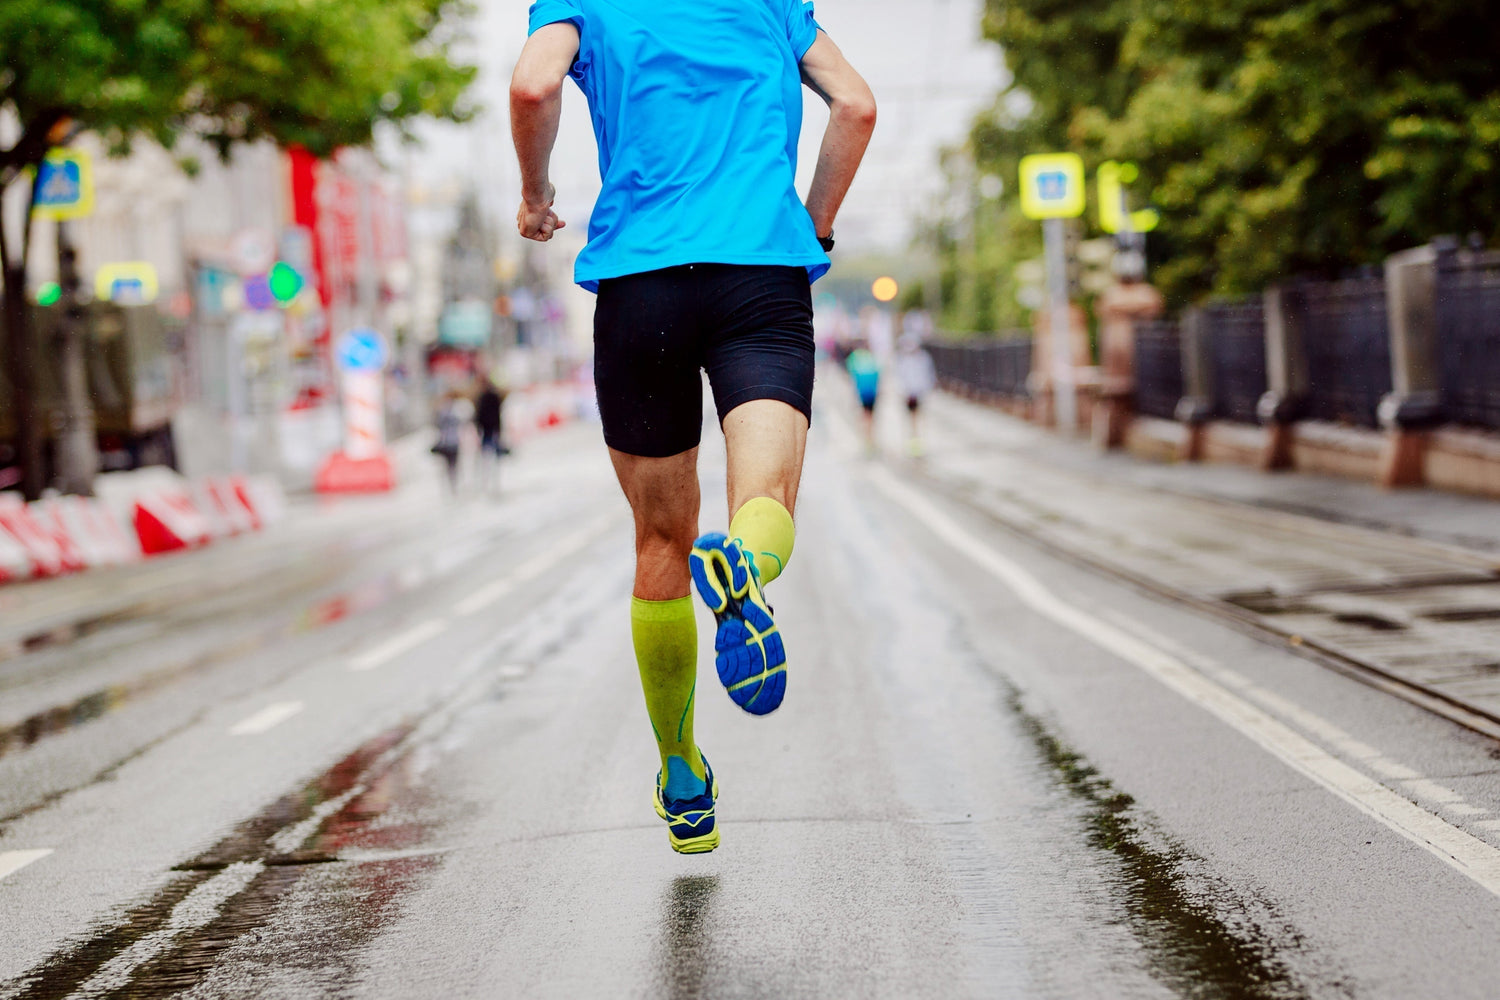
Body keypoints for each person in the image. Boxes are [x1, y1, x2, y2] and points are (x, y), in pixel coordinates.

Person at [511, 0, 875, 853]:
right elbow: (855, 105)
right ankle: (745, 566)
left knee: (660, 544)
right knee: (767, 494)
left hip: (642, 287)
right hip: (760, 276)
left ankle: (682, 775)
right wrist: (813, 224)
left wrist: (535, 196)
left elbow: (533, 86)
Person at [894, 332, 936, 455]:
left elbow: (928, 375)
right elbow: (900, 377)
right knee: (912, 418)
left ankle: (917, 441)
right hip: (909, 393)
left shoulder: (923, 357)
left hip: (919, 392)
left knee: (918, 417)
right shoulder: (903, 358)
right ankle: (913, 441)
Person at [845, 342, 881, 453]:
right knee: (870, 417)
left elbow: (850, 375)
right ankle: (870, 439)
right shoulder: (871, 356)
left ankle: (866, 440)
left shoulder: (854, 357)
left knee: (864, 416)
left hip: (862, 392)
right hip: (872, 391)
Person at [474, 377, 508, 493]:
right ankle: (493, 482)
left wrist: (479, 429)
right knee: (492, 457)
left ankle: (490, 482)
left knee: (487, 457)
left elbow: (480, 416)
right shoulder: (493, 396)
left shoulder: (483, 398)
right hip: (492, 429)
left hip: (488, 430)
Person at [431, 391, 469, 496]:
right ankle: (453, 485)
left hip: (447, 443)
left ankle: (451, 485)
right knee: (453, 465)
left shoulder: (442, 413)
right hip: (452, 442)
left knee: (449, 466)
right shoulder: (455, 413)